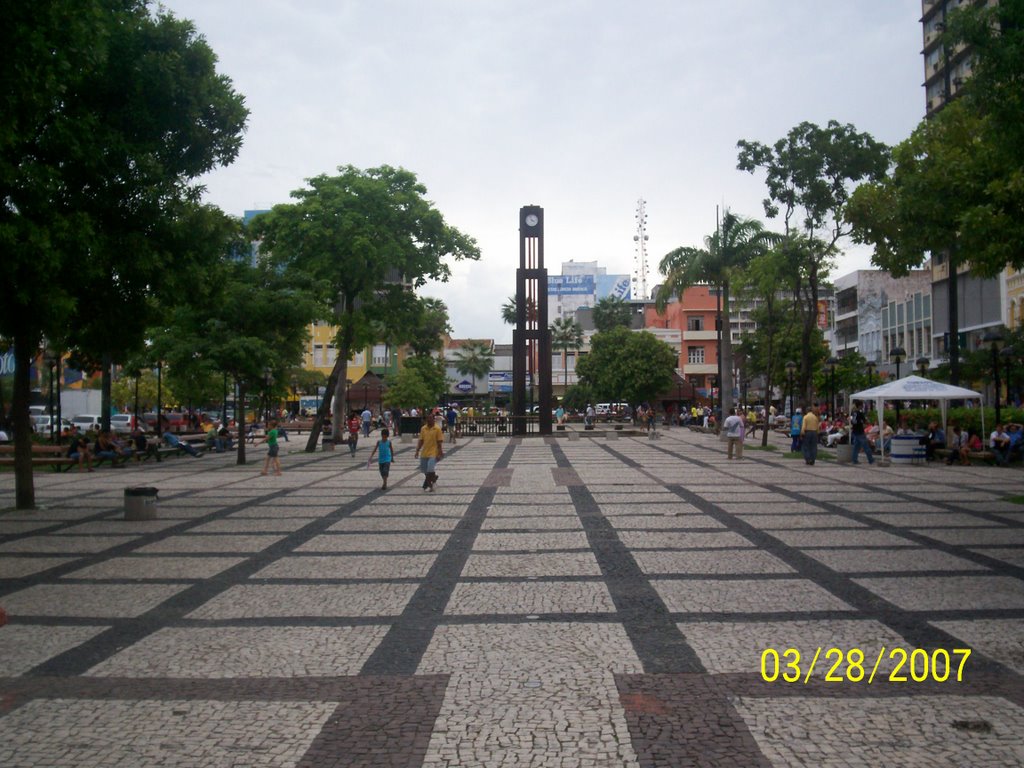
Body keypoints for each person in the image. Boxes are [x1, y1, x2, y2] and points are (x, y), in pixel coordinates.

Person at [414, 410, 444, 492]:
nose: (429, 420)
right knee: (424, 470)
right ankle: (434, 478)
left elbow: (439, 442)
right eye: (427, 419)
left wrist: (440, 452)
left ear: (433, 419)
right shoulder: (423, 428)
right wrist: (417, 450)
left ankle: (430, 486)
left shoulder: (437, 429)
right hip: (424, 452)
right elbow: (421, 440)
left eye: (430, 419)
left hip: (434, 452)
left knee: (430, 469)